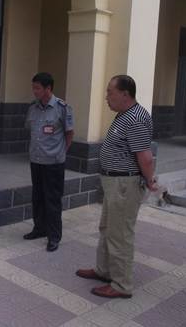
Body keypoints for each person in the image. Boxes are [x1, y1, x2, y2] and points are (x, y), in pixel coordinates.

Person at [76, 75, 157, 299]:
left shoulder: (136, 118)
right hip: (115, 183)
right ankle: (104, 270)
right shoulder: (124, 114)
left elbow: (145, 157)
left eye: (110, 92)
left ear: (125, 94)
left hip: (125, 185)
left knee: (120, 234)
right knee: (107, 229)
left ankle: (122, 284)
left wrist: (150, 180)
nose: (106, 97)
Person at [23, 72, 74, 252]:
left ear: (48, 88)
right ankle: (39, 228)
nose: (34, 91)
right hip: (36, 160)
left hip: (54, 163)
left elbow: (69, 133)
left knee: (52, 200)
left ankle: (54, 236)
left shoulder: (62, 108)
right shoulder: (33, 108)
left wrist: (61, 152)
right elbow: (30, 129)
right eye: (33, 87)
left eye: (37, 88)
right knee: (37, 197)